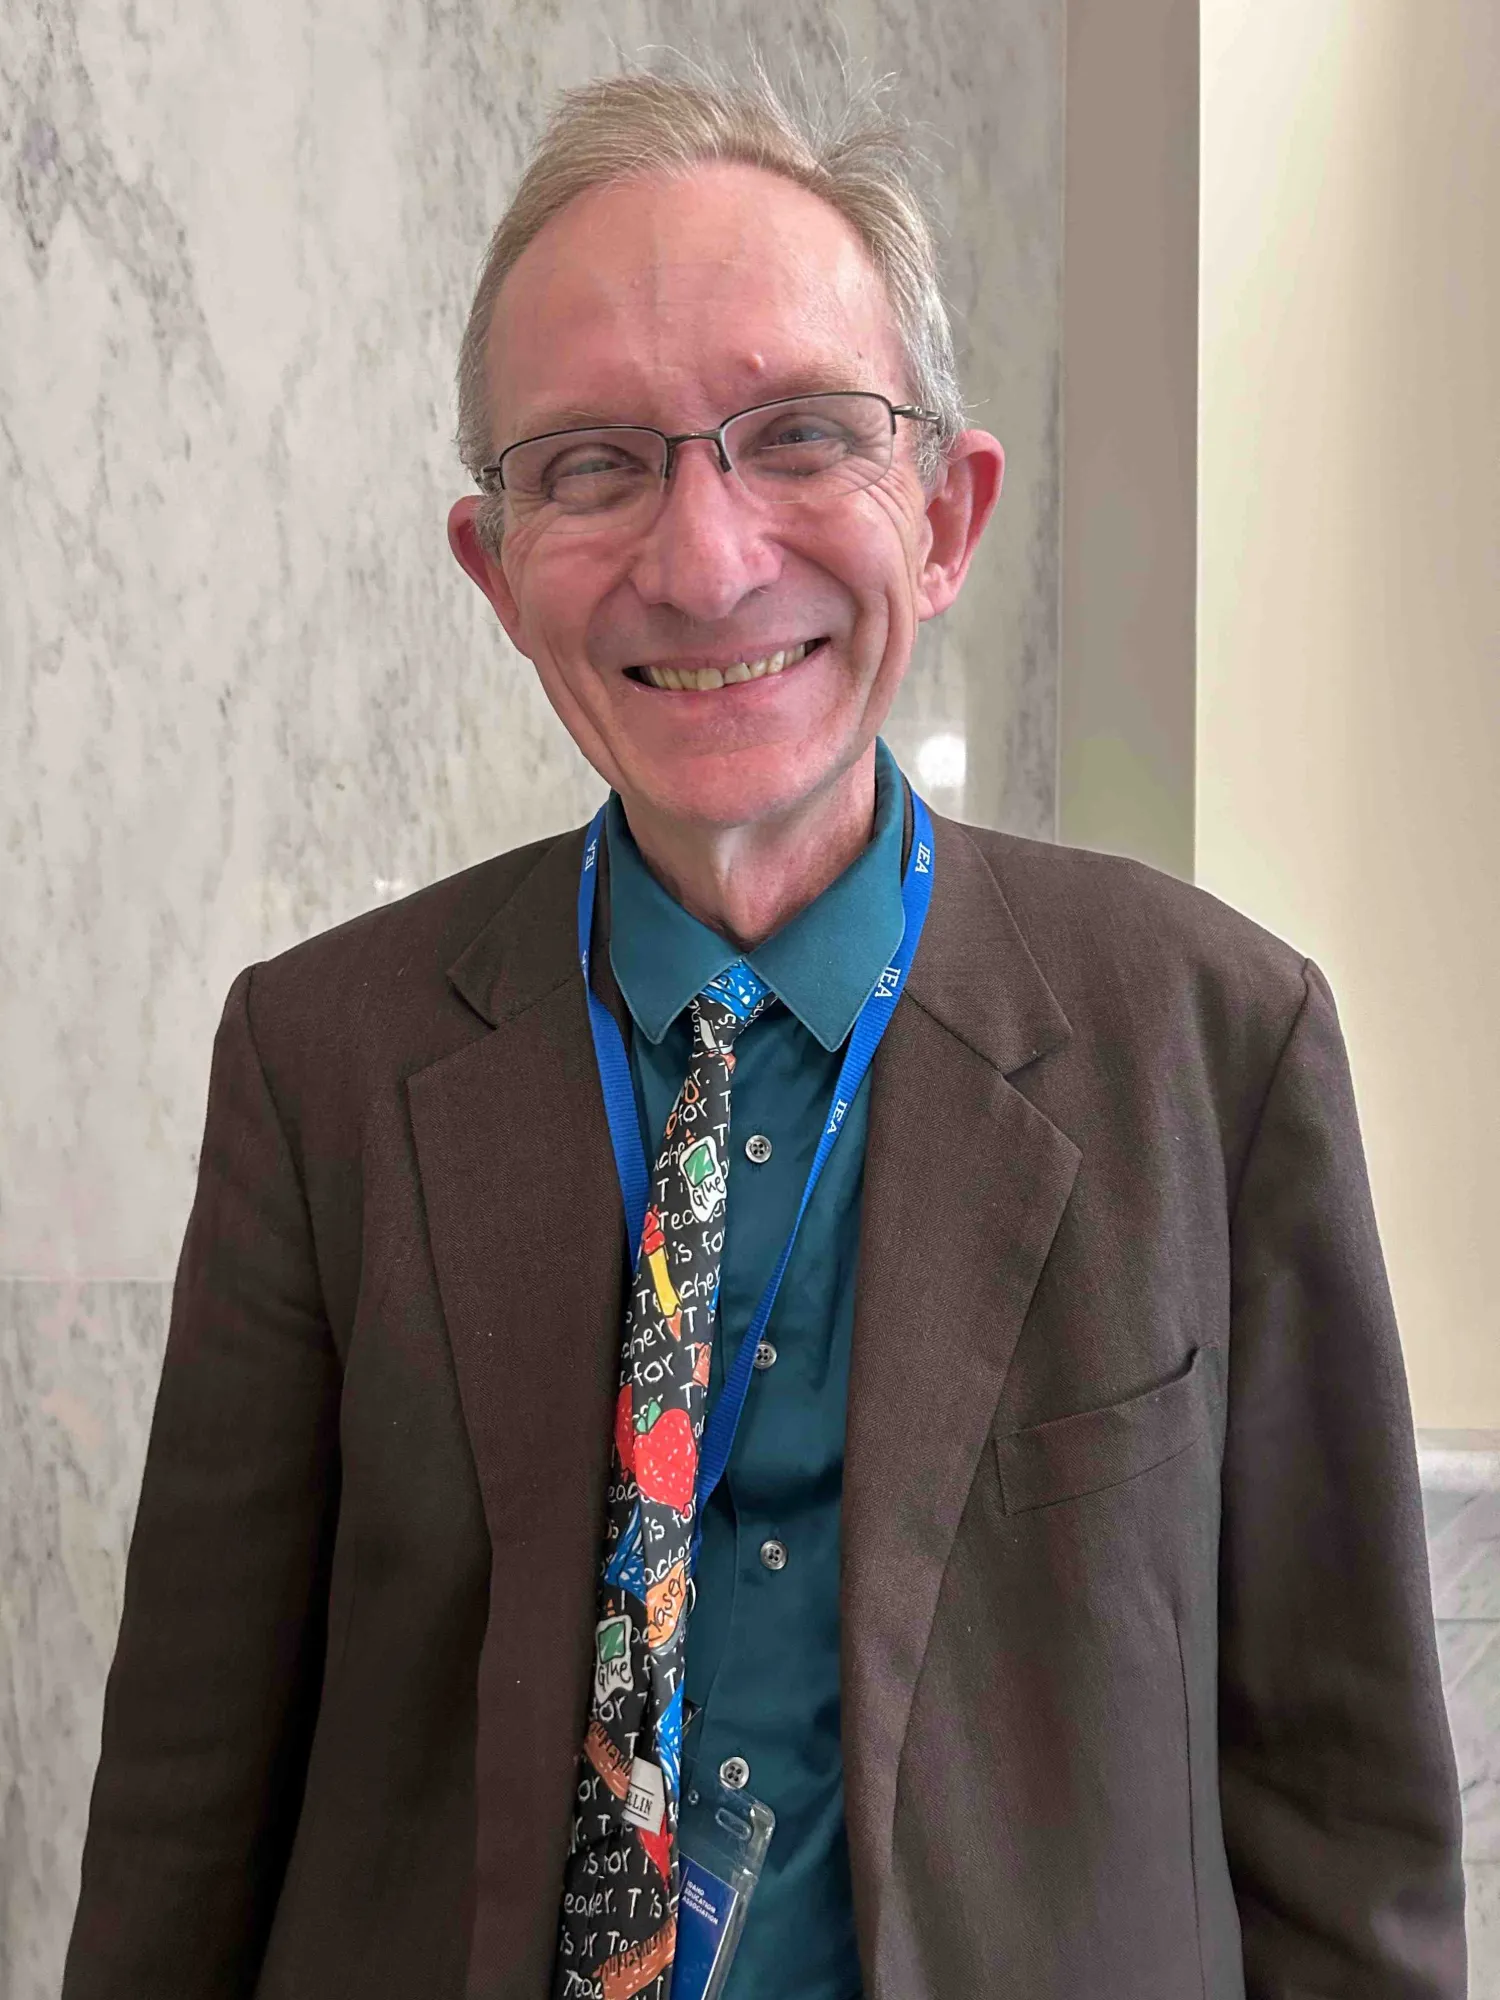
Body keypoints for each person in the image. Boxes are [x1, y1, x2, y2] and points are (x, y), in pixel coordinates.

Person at [64, 61, 1465, 2000]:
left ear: (947, 511)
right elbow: (186, 1806)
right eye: (592, 463)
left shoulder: (1213, 1045)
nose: (706, 559)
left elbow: (1345, 1819)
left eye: (799, 435)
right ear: (496, 573)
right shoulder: (326, 1059)